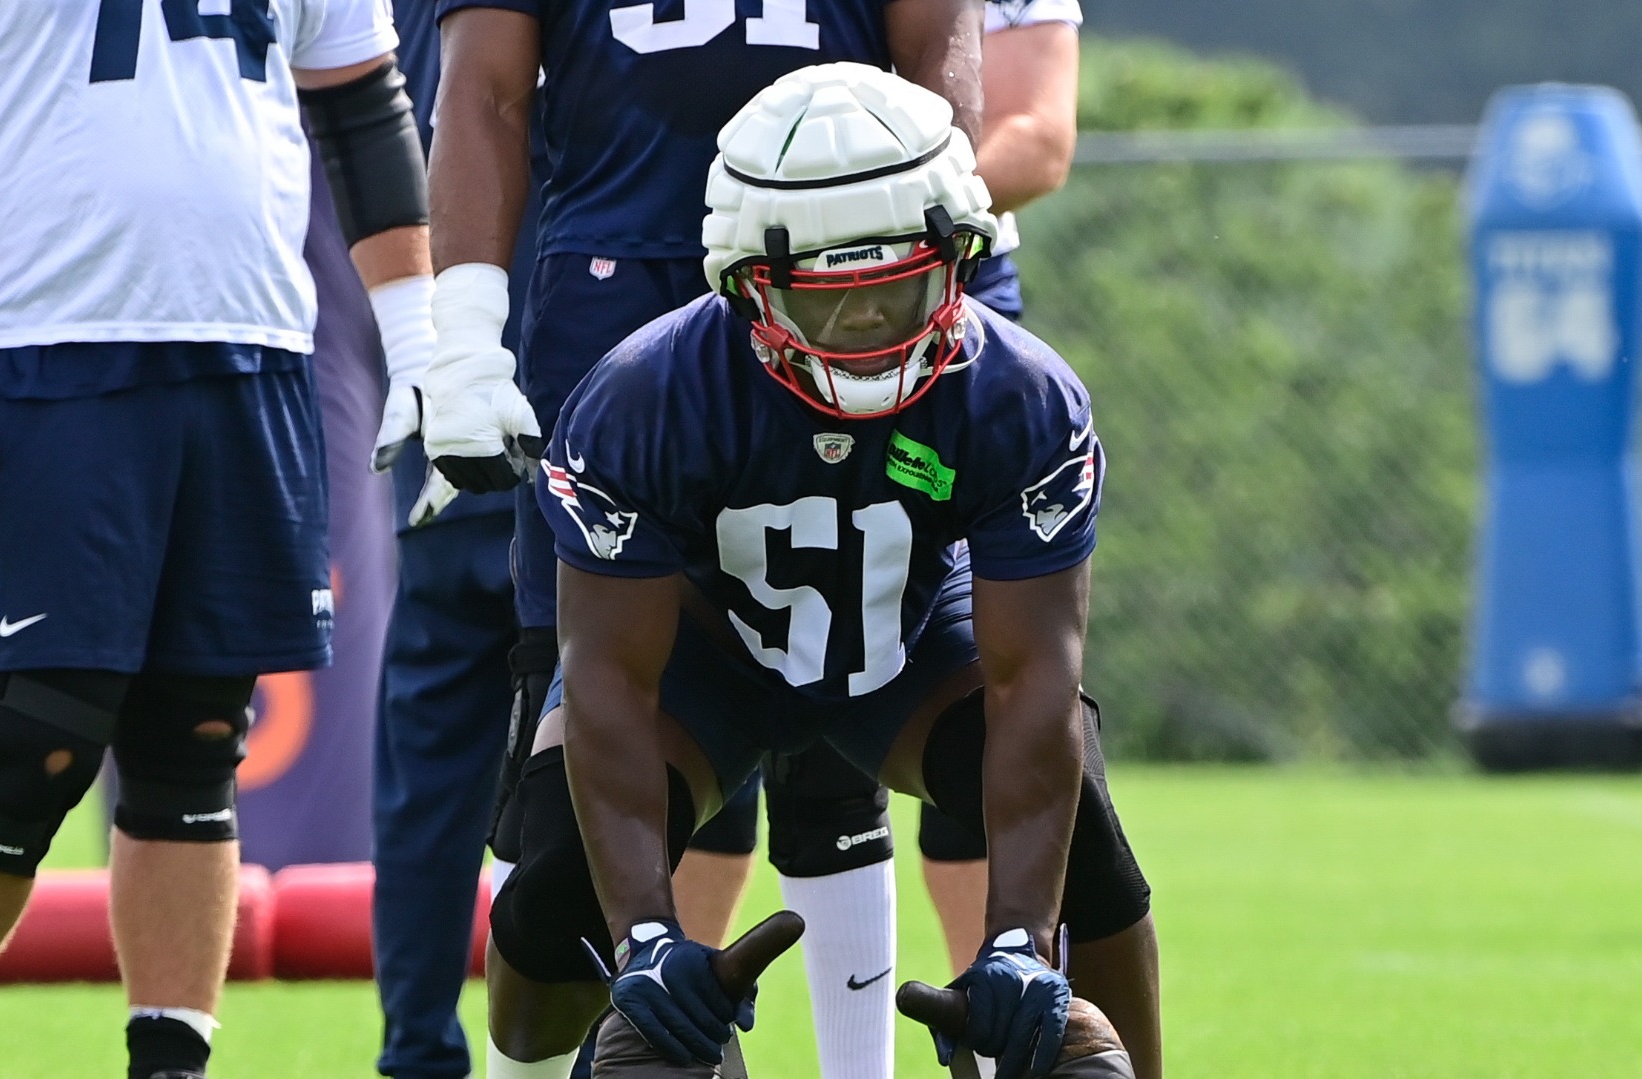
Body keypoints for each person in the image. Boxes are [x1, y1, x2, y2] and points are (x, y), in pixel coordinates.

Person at [436, 63, 1163, 1079]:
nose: (871, 331)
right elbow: (607, 679)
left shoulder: (1020, 398)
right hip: (707, 657)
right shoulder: (644, 397)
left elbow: (1033, 679)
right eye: (833, 303)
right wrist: (647, 936)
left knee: (1076, 822)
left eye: (897, 288)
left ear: (958, 257)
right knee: (554, 900)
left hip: (907, 641)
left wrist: (1017, 942)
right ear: (748, 287)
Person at [0, 1, 431, 1076]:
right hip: (54, 347)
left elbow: (363, 106)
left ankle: (170, 1065)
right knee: (34, 733)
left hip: (256, 342)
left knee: (195, 735)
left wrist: (419, 335)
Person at [364, 3, 539, 1078]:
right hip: (575, 385)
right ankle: (593, 1042)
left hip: (449, 381)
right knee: (618, 743)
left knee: (433, 758)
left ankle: (417, 1050)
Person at [919, 0, 1085, 975]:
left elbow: (1038, 137)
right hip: (766, 293)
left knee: (988, 673)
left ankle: (995, 1010)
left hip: (957, 292)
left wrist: (862, 210)